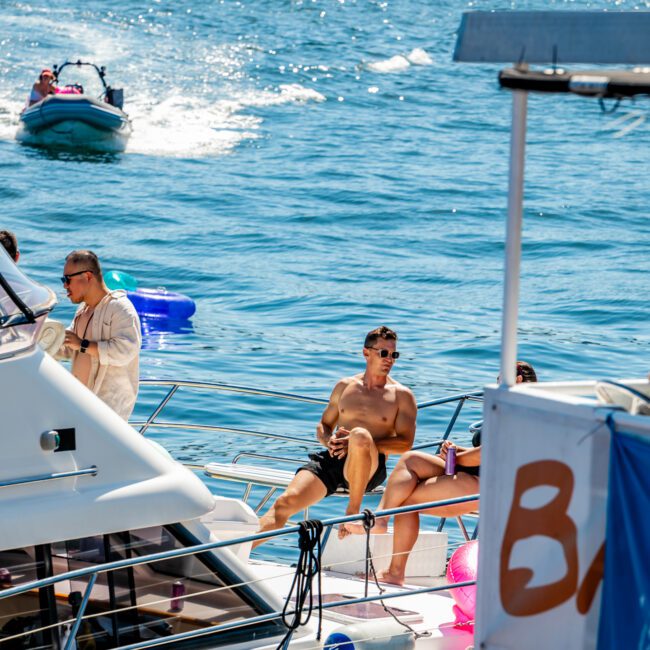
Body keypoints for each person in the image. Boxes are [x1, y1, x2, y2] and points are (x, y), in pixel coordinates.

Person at [354, 360, 537, 586]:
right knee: (411, 459)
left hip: (486, 485)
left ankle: (395, 571)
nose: (496, 384)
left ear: (517, 381)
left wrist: (457, 458)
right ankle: (381, 518)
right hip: (473, 472)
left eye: (500, 380)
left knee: (404, 502)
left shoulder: (521, 414)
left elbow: (487, 454)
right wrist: (456, 452)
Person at [255, 326, 417, 545]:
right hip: (334, 459)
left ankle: (352, 511)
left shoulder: (401, 395)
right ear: (366, 352)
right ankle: (237, 554)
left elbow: (405, 443)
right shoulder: (345, 386)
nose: (390, 359)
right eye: (384, 353)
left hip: (369, 465)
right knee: (284, 503)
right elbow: (324, 425)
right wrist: (328, 440)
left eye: (394, 354)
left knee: (359, 435)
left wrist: (359, 442)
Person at [56, 250, 141, 421]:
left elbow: (125, 351)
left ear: (87, 276)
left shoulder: (120, 308)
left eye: (67, 279)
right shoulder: (83, 309)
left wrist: (83, 344)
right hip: (79, 406)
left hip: (107, 413)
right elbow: (71, 349)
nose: (65, 285)